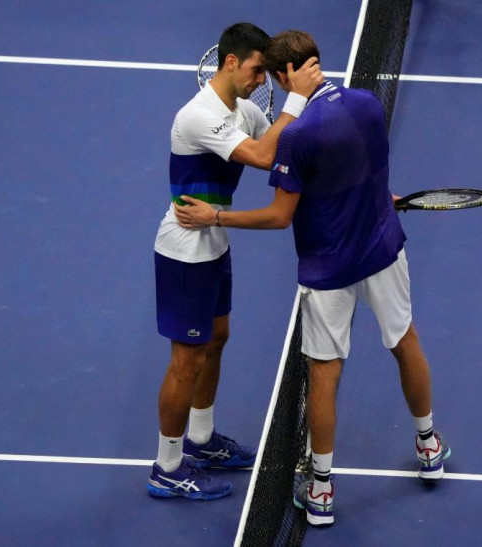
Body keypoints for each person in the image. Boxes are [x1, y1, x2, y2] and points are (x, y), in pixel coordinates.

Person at [174, 30, 450, 524]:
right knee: (406, 342)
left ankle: (321, 490)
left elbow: (279, 216)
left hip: (328, 269)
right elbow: (368, 170)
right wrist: (372, 202)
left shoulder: (297, 136)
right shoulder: (367, 103)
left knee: (324, 374)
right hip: (383, 248)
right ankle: (429, 444)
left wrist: (215, 218)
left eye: (271, 79)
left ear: (285, 77)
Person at [147, 22, 324, 500]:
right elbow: (265, 157)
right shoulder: (199, 115)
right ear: (230, 62)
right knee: (186, 361)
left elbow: (289, 147)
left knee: (216, 339)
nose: (262, 80)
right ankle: (167, 466)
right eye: (257, 69)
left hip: (214, 241)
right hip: (184, 251)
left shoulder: (244, 109)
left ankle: (201, 441)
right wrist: (295, 100)